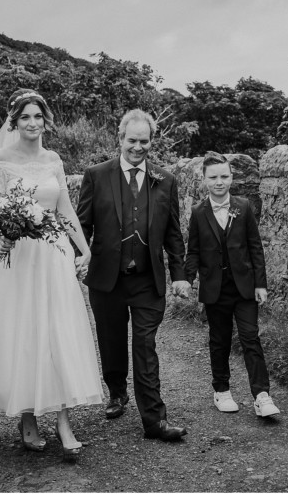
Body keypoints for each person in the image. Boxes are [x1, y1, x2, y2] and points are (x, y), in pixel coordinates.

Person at [0, 89, 103, 462]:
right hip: (17, 255)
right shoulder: (1, 159)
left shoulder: (54, 159)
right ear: (14, 122)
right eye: (25, 117)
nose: (32, 123)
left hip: (53, 254)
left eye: (38, 117)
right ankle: (27, 415)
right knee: (25, 331)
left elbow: (64, 209)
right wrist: (7, 237)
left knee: (59, 331)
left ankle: (64, 422)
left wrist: (85, 249)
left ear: (47, 121)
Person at [76, 109, 191, 441]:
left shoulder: (166, 179)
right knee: (111, 341)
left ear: (151, 141)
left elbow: (173, 233)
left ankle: (155, 420)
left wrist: (179, 275)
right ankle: (116, 392)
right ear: (120, 138)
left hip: (147, 279)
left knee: (145, 345)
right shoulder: (96, 175)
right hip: (106, 279)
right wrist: (72, 258)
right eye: (132, 140)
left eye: (144, 141)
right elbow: (82, 224)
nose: (137, 147)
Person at [184, 151, 280, 417]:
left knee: (251, 338)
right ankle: (221, 390)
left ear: (231, 177)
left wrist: (260, 284)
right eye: (213, 177)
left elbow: (255, 247)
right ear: (204, 180)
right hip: (215, 289)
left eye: (224, 176)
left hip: (244, 287)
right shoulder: (198, 213)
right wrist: (187, 278)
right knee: (220, 340)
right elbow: (193, 251)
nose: (219, 182)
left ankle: (262, 395)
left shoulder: (244, 206)